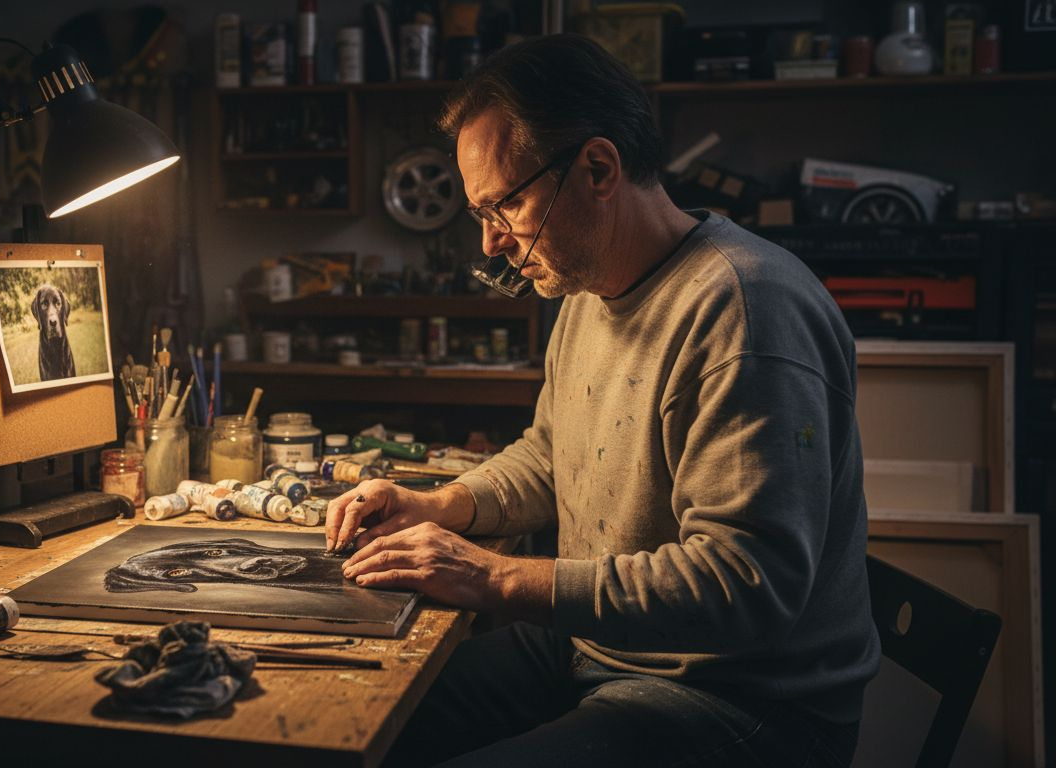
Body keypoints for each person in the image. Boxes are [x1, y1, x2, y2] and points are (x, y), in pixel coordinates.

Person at [324, 34, 880, 767]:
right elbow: (555, 455)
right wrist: (441, 505)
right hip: (609, 651)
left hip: (740, 698)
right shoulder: (587, 289)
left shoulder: (745, 309)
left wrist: (493, 576)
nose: (492, 244)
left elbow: (749, 584)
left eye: (506, 206)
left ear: (597, 167)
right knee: (355, 725)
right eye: (481, 215)